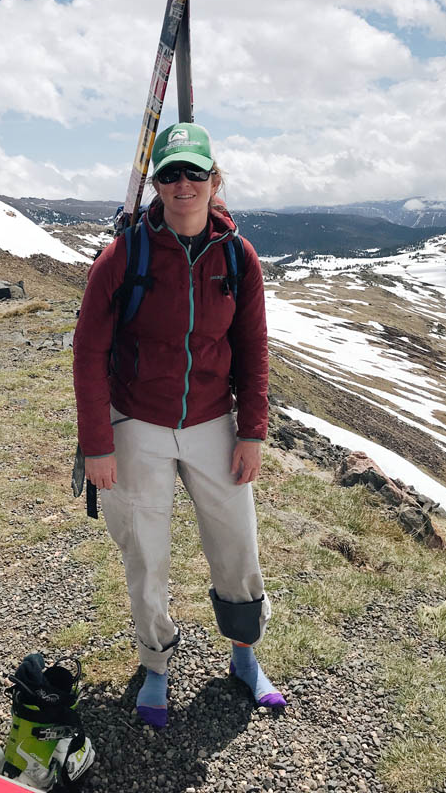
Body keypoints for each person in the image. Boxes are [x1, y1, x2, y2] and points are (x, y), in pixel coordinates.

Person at [73, 122, 286, 728]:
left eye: (195, 171)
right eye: (170, 173)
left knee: (237, 545)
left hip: (215, 422)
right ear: (156, 184)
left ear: (215, 180)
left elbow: (252, 344)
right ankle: (156, 666)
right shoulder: (124, 255)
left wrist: (252, 430)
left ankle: (244, 658)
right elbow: (88, 352)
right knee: (146, 553)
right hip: (135, 420)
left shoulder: (237, 255)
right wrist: (97, 445)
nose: (183, 183)